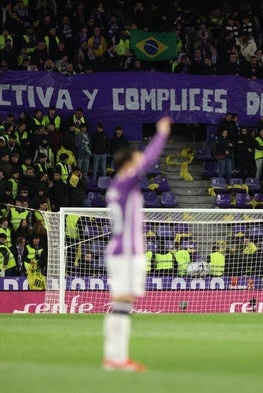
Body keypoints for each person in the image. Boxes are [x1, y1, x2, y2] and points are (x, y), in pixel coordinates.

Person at [103, 117, 171, 372]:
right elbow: (149, 159)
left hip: (124, 251)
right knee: (122, 302)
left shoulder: (117, 186)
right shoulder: (124, 181)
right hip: (126, 252)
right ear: (127, 163)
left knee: (123, 303)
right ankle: (116, 358)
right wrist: (162, 134)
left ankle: (116, 357)